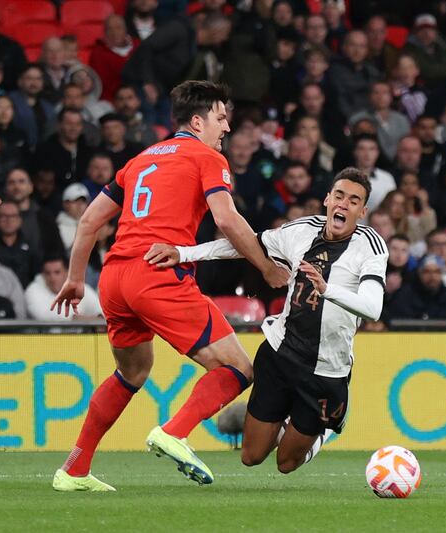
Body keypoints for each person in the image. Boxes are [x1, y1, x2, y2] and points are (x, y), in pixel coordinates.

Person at [50, 81, 289, 491]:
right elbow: (228, 220)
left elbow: (89, 222)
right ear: (197, 122)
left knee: (133, 370)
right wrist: (267, 268)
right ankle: (175, 431)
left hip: (113, 277)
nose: (226, 127)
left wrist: (75, 278)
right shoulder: (206, 157)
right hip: (156, 273)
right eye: (220, 118)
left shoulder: (140, 159)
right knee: (237, 367)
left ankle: (73, 469)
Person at [146, 168, 387, 474]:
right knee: (251, 456)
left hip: (327, 370)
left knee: (286, 463)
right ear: (327, 199)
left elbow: (372, 307)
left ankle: (324, 428)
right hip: (280, 355)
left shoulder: (371, 246)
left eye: (354, 201)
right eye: (339, 195)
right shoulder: (300, 231)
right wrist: (184, 253)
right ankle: (282, 417)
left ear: (362, 211)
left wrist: (328, 290)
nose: (344, 204)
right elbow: (244, 245)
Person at [26, 256, 101, 320]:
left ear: (67, 273)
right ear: (42, 274)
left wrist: (83, 319)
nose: (52, 278)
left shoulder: (80, 288)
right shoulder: (32, 290)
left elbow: (102, 313)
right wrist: (76, 319)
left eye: (57, 272)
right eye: (48, 273)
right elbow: (44, 317)